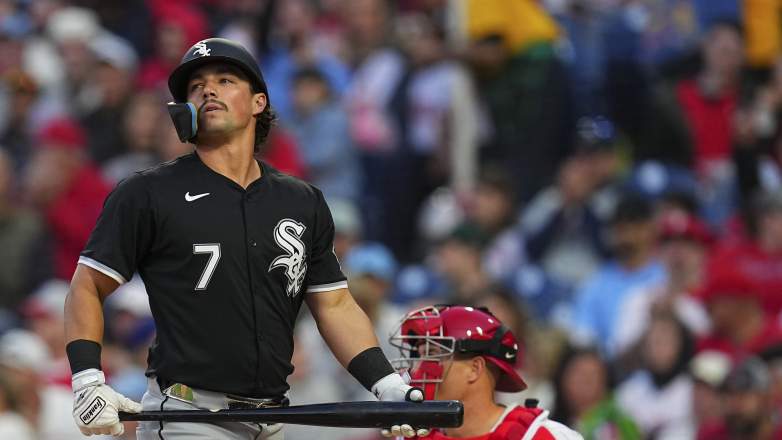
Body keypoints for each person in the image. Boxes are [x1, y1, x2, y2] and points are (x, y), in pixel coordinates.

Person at [64, 37, 424, 439]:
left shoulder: (301, 200)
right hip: (189, 413)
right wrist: (87, 379)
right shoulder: (147, 192)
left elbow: (334, 303)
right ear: (186, 108)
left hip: (273, 416)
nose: (208, 89)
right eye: (196, 86)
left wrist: (386, 384)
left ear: (258, 103)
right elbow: (88, 284)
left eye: (225, 79)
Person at [389, 305, 583, 439]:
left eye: (432, 355)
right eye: (420, 357)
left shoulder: (541, 436)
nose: (419, 368)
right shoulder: (409, 435)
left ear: (475, 369)